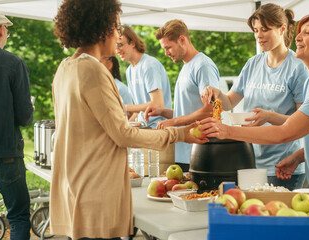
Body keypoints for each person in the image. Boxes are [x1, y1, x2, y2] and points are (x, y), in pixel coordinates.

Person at [51, 0, 206, 239]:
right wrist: (180, 134)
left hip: (76, 187)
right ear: (100, 28)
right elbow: (122, 134)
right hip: (96, 191)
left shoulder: (65, 68)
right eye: (116, 27)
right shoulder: (92, 70)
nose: (118, 34)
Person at [199, 14, 309, 193]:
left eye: (307, 33)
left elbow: (286, 132)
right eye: (299, 32)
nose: (298, 37)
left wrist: (226, 131)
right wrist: (299, 157)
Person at [201, 4, 309, 191]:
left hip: (282, 165)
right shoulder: (253, 63)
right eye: (256, 30)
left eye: (265, 30)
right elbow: (229, 102)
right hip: (249, 160)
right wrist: (216, 93)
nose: (258, 35)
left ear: (282, 29)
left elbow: (303, 122)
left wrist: (270, 117)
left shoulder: (298, 67)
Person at [0, 9, 34, 239]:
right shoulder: (12, 63)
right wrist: (30, 110)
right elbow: (24, 117)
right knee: (19, 216)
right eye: (7, 31)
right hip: (6, 155)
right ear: (1, 29)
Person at [144, 19, 220, 171]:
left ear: (182, 40)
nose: (166, 53)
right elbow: (189, 112)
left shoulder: (203, 65)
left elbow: (211, 110)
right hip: (183, 154)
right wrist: (164, 112)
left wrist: (174, 122)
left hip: (199, 153)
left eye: (168, 47)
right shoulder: (186, 66)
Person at [116, 25, 172, 128]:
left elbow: (157, 105)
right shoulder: (129, 71)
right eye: (115, 46)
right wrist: (125, 125)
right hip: (144, 127)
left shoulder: (149, 65)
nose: (117, 50)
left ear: (132, 43)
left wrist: (124, 107)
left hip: (159, 128)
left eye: (120, 45)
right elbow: (139, 110)